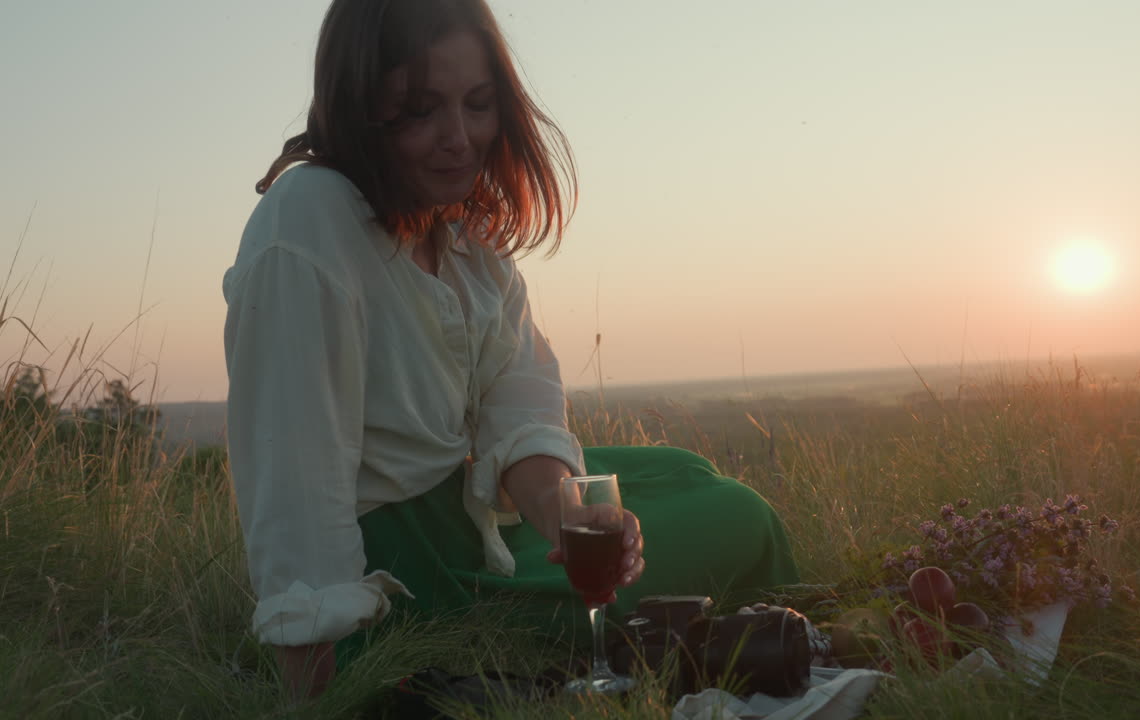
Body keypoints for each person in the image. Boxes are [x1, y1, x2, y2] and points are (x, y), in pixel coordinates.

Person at [223, 0, 800, 701]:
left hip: (471, 522)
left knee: (683, 472)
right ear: (358, 105)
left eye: (478, 104)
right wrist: (321, 687)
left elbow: (519, 399)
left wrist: (565, 522)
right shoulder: (307, 224)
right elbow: (294, 478)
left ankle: (750, 635)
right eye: (420, 110)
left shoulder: (463, 229)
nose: (459, 139)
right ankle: (761, 645)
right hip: (405, 582)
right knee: (741, 518)